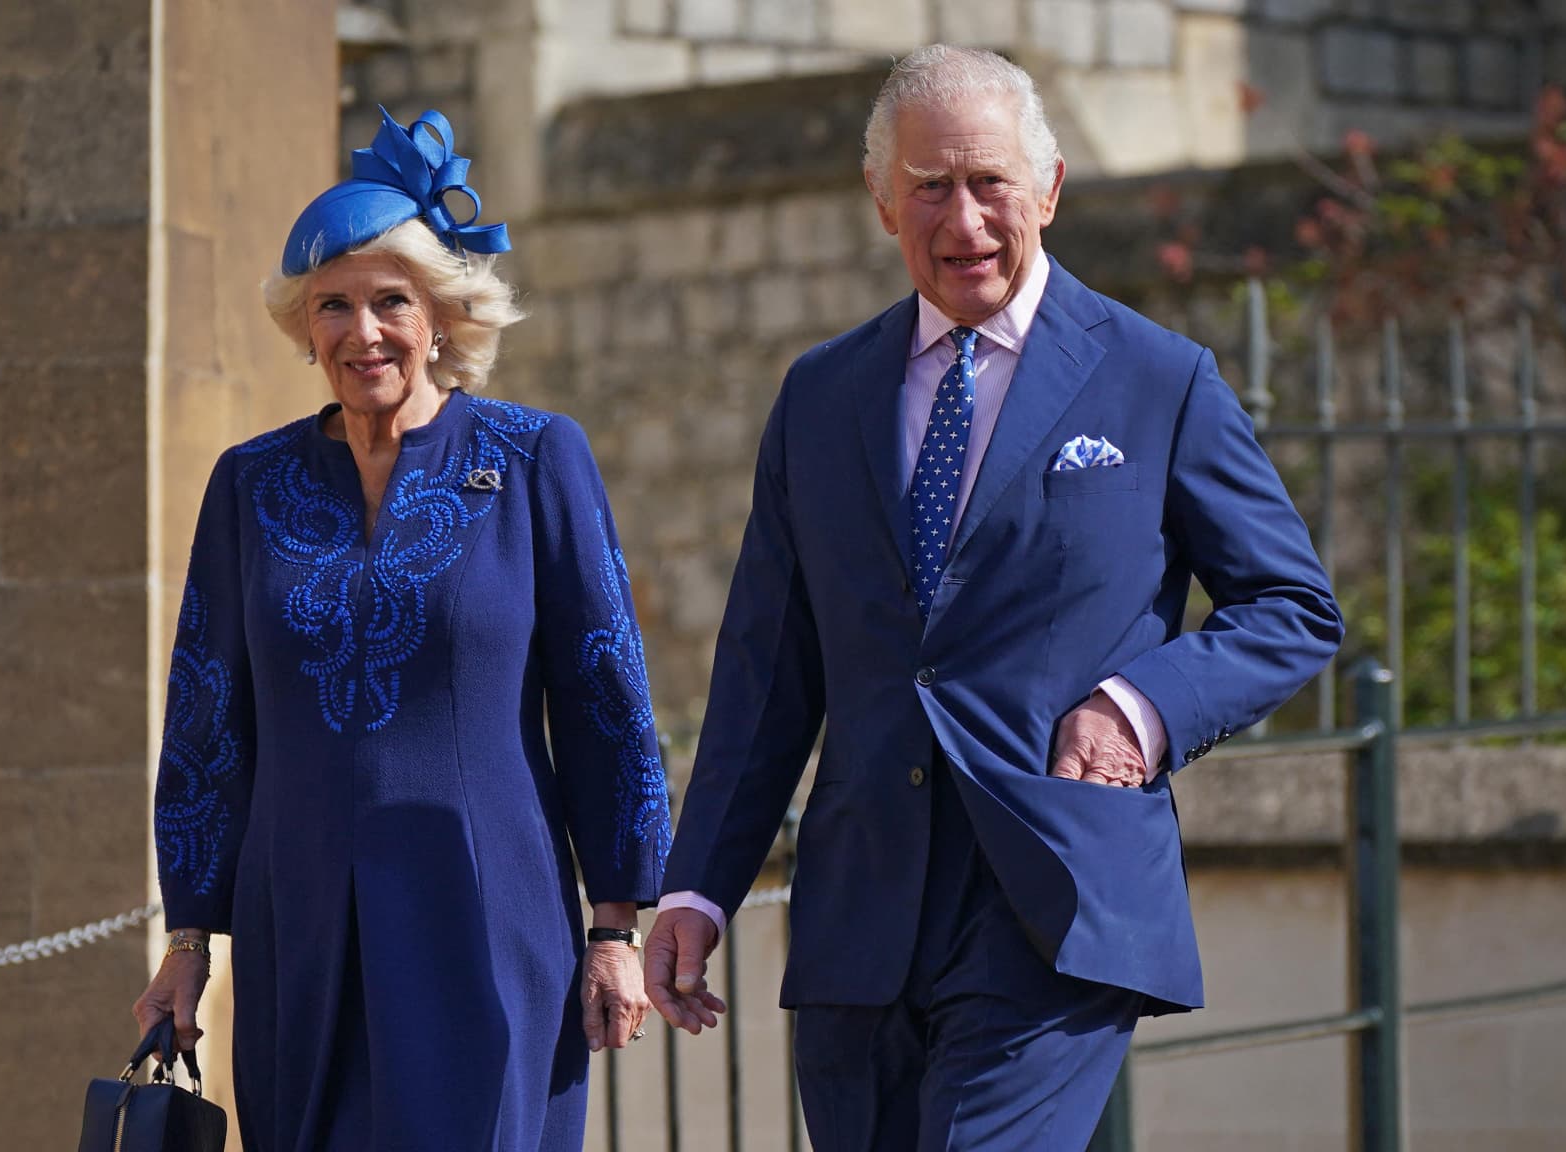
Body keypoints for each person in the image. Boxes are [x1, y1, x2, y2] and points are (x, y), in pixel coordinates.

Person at [644, 46, 1344, 1150]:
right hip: (860, 916)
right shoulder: (821, 396)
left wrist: (1137, 708)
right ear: (882, 201)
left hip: (1048, 902)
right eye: (929, 186)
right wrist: (695, 889)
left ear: (1048, 190)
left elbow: (1291, 607)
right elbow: (765, 671)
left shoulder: (1158, 378)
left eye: (989, 184)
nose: (962, 219)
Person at [132, 108, 672, 1152]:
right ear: (302, 326)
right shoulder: (251, 483)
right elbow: (206, 715)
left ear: (440, 317)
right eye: (331, 305)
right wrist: (187, 940)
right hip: (301, 924)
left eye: (390, 301)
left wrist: (614, 927)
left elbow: (607, 697)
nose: (362, 331)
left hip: (484, 907)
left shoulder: (531, 459)